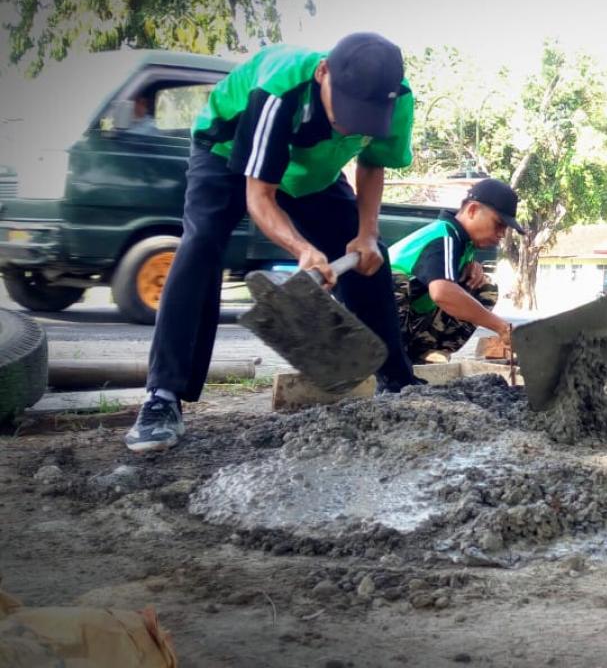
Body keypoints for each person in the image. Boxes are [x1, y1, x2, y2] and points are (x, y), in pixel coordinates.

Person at [127, 33, 422, 453]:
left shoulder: (399, 101)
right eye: (347, 112)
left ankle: (396, 380)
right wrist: (300, 248)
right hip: (227, 153)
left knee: (369, 257)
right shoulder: (280, 88)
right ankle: (162, 398)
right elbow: (259, 195)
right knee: (201, 245)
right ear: (323, 73)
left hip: (312, 171)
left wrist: (367, 232)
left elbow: (373, 164)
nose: (351, 125)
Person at [389, 178, 523, 362]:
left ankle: (426, 354)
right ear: (473, 210)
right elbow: (442, 293)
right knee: (394, 280)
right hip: (369, 317)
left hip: (410, 318)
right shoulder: (443, 236)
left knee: (484, 289)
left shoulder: (462, 244)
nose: (501, 234)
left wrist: (472, 267)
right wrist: (501, 327)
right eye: (498, 224)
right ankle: (391, 358)